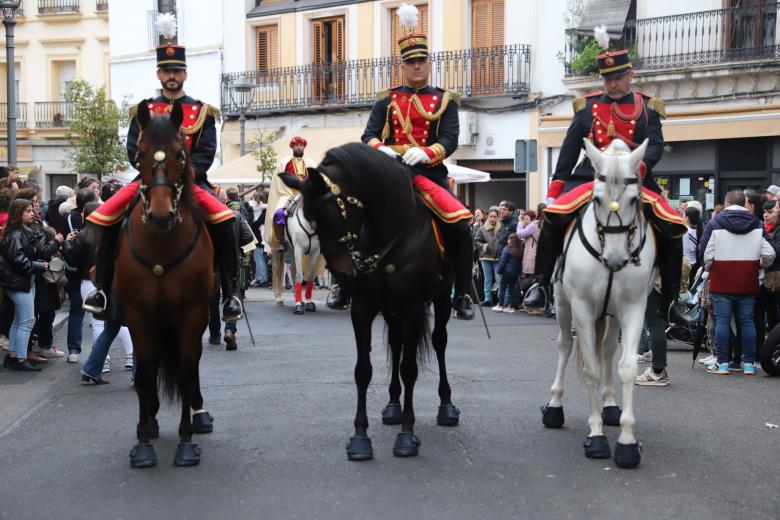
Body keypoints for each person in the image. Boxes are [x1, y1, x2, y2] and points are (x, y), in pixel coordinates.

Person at [81, 14, 241, 322]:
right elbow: (132, 149)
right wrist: (152, 173)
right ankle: (101, 289)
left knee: (228, 221)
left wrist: (182, 173)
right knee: (107, 217)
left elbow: (207, 152)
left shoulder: (202, 112)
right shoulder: (142, 111)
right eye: (167, 70)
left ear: (185, 74)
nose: (172, 75)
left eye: (177, 70)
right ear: (158, 73)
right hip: (148, 181)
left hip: (192, 182)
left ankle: (231, 294)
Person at [523, 34, 685, 311]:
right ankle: (541, 283)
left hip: (635, 178)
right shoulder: (586, 107)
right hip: (590, 176)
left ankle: (673, 299)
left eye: (618, 78)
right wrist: (555, 191)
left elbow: (655, 146)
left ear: (631, 75)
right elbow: (569, 151)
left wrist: (637, 168)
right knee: (552, 219)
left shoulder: (648, 108)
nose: (612, 84)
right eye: (607, 79)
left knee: (673, 225)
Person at [357, 11, 475, 319]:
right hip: (391, 176)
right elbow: (368, 136)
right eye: (411, 62)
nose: (417, 66)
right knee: (351, 215)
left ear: (428, 63)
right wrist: (383, 151)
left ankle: (462, 292)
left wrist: (426, 153)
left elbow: (450, 139)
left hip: (430, 175)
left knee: (461, 227)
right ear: (403, 66)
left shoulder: (446, 100)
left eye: (421, 60)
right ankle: (348, 283)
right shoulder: (387, 99)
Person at [701, 190, 775, 375]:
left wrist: (710, 268)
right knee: (747, 322)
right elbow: (770, 254)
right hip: (748, 281)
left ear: (726, 203)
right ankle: (749, 364)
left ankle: (723, 363)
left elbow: (706, 253)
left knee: (723, 322)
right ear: (744, 204)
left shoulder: (715, 223)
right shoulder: (757, 224)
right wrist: (759, 265)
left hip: (722, 281)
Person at [0, 200, 60, 371]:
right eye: (28, 211)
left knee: (19, 321)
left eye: (31, 210)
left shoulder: (20, 231)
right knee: (26, 321)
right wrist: (40, 266)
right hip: (19, 283)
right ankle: (20, 358)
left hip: (24, 282)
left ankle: (14, 356)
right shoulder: (15, 234)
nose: (32, 213)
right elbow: (20, 261)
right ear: (18, 213)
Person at [473, 208, 502, 307]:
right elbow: (476, 241)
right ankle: (487, 299)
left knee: (499, 279)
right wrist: (484, 246)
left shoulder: (501, 228)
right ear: (488, 216)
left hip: (498, 257)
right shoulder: (482, 228)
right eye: (491, 216)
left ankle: (500, 300)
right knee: (487, 279)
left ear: (497, 217)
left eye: (494, 217)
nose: (492, 218)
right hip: (485, 257)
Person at [494, 234, 522, 313]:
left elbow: (503, 261)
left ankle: (500, 305)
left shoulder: (507, 248)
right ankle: (512, 307)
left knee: (503, 288)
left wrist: (499, 271)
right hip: (515, 273)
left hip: (506, 272)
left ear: (510, 240)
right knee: (512, 289)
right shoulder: (520, 249)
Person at [516, 210, 540, 302]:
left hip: (532, 257)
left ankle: (531, 301)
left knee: (531, 279)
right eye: (524, 219)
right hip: (531, 256)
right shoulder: (535, 225)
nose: (524, 221)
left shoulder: (533, 226)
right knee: (530, 279)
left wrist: (520, 223)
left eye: (526, 219)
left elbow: (520, 234)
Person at [683, 205, 703, 277]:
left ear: (687, 218)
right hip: (697, 265)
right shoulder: (700, 231)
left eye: (684, 215)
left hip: (685, 265)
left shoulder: (684, 231)